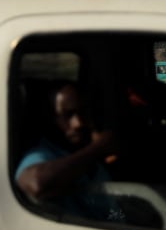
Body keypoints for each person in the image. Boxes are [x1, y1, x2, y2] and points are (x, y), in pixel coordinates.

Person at [15, 80, 123, 222]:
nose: (78, 123)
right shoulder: (43, 154)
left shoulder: (92, 162)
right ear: (51, 119)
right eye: (67, 115)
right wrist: (98, 148)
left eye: (83, 112)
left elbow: (111, 212)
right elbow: (36, 183)